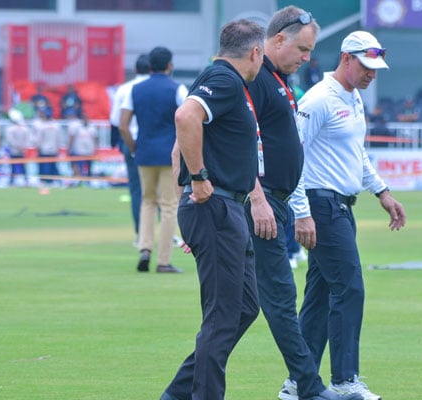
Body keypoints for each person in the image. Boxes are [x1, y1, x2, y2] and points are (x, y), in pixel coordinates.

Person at [242, 8, 361, 400]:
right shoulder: (259, 82)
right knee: (289, 300)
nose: (308, 58)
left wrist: (380, 191)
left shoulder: (279, 82)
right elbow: (257, 148)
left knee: (256, 308)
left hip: (287, 205)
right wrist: (289, 206)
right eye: (303, 49)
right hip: (280, 204)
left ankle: (301, 384)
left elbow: (290, 151)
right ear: (277, 40)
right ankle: (324, 385)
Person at [291, 30, 407, 400]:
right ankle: (343, 381)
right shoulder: (319, 99)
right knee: (349, 287)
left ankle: (298, 383)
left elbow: (357, 154)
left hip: (341, 205)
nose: (372, 74)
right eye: (366, 66)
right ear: (346, 58)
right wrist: (301, 213)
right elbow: (293, 158)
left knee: (320, 295)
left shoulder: (353, 98)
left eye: (376, 68)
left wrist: (382, 191)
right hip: (321, 206)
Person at [160, 19, 265, 400]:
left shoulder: (217, 80)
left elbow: (178, 147)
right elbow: (184, 117)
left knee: (244, 309)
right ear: (255, 52)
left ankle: (177, 393)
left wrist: (189, 198)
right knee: (222, 319)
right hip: (218, 207)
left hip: (220, 210)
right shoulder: (224, 80)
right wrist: (199, 181)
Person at [119, 46, 187, 273]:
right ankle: (164, 260)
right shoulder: (178, 89)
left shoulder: (135, 89)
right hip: (169, 154)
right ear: (169, 65)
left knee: (147, 202)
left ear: (149, 66)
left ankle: (144, 248)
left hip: (144, 153)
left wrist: (133, 148)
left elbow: (123, 125)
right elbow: (187, 119)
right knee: (169, 206)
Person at [110, 54, 150, 241]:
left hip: (131, 141)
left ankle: (140, 234)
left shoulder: (125, 89)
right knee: (163, 193)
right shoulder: (163, 87)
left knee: (136, 190)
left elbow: (116, 120)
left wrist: (126, 146)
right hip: (156, 143)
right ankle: (165, 234)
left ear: (135, 70)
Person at [32, 106, 63, 186]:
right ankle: (53, 182)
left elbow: (39, 139)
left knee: (45, 167)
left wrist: (38, 147)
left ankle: (45, 181)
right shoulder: (56, 125)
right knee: (52, 166)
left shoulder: (42, 126)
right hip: (53, 149)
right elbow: (59, 139)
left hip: (44, 150)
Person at [5, 109, 31, 186]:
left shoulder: (10, 129)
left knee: (15, 167)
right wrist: (22, 147)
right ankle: (24, 181)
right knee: (21, 167)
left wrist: (19, 147)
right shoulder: (24, 128)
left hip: (15, 150)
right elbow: (27, 139)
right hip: (21, 150)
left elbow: (10, 140)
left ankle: (14, 181)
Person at [67, 114, 97, 178]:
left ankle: (88, 180)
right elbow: (72, 138)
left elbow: (95, 139)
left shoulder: (92, 128)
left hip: (89, 152)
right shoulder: (77, 128)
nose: (85, 120)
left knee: (89, 167)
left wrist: (95, 149)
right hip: (79, 152)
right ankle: (79, 179)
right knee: (79, 167)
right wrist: (70, 148)